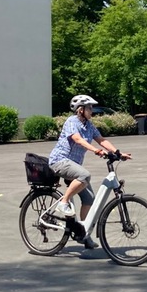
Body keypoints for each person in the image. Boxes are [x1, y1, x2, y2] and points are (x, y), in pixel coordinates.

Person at [48, 94, 128, 248]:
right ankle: (63, 202)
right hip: (59, 161)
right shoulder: (71, 121)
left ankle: (83, 234)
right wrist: (96, 151)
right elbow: (78, 139)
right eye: (89, 107)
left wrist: (118, 153)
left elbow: (102, 140)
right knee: (85, 175)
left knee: (89, 199)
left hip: (73, 165)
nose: (92, 110)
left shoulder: (89, 125)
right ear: (80, 110)